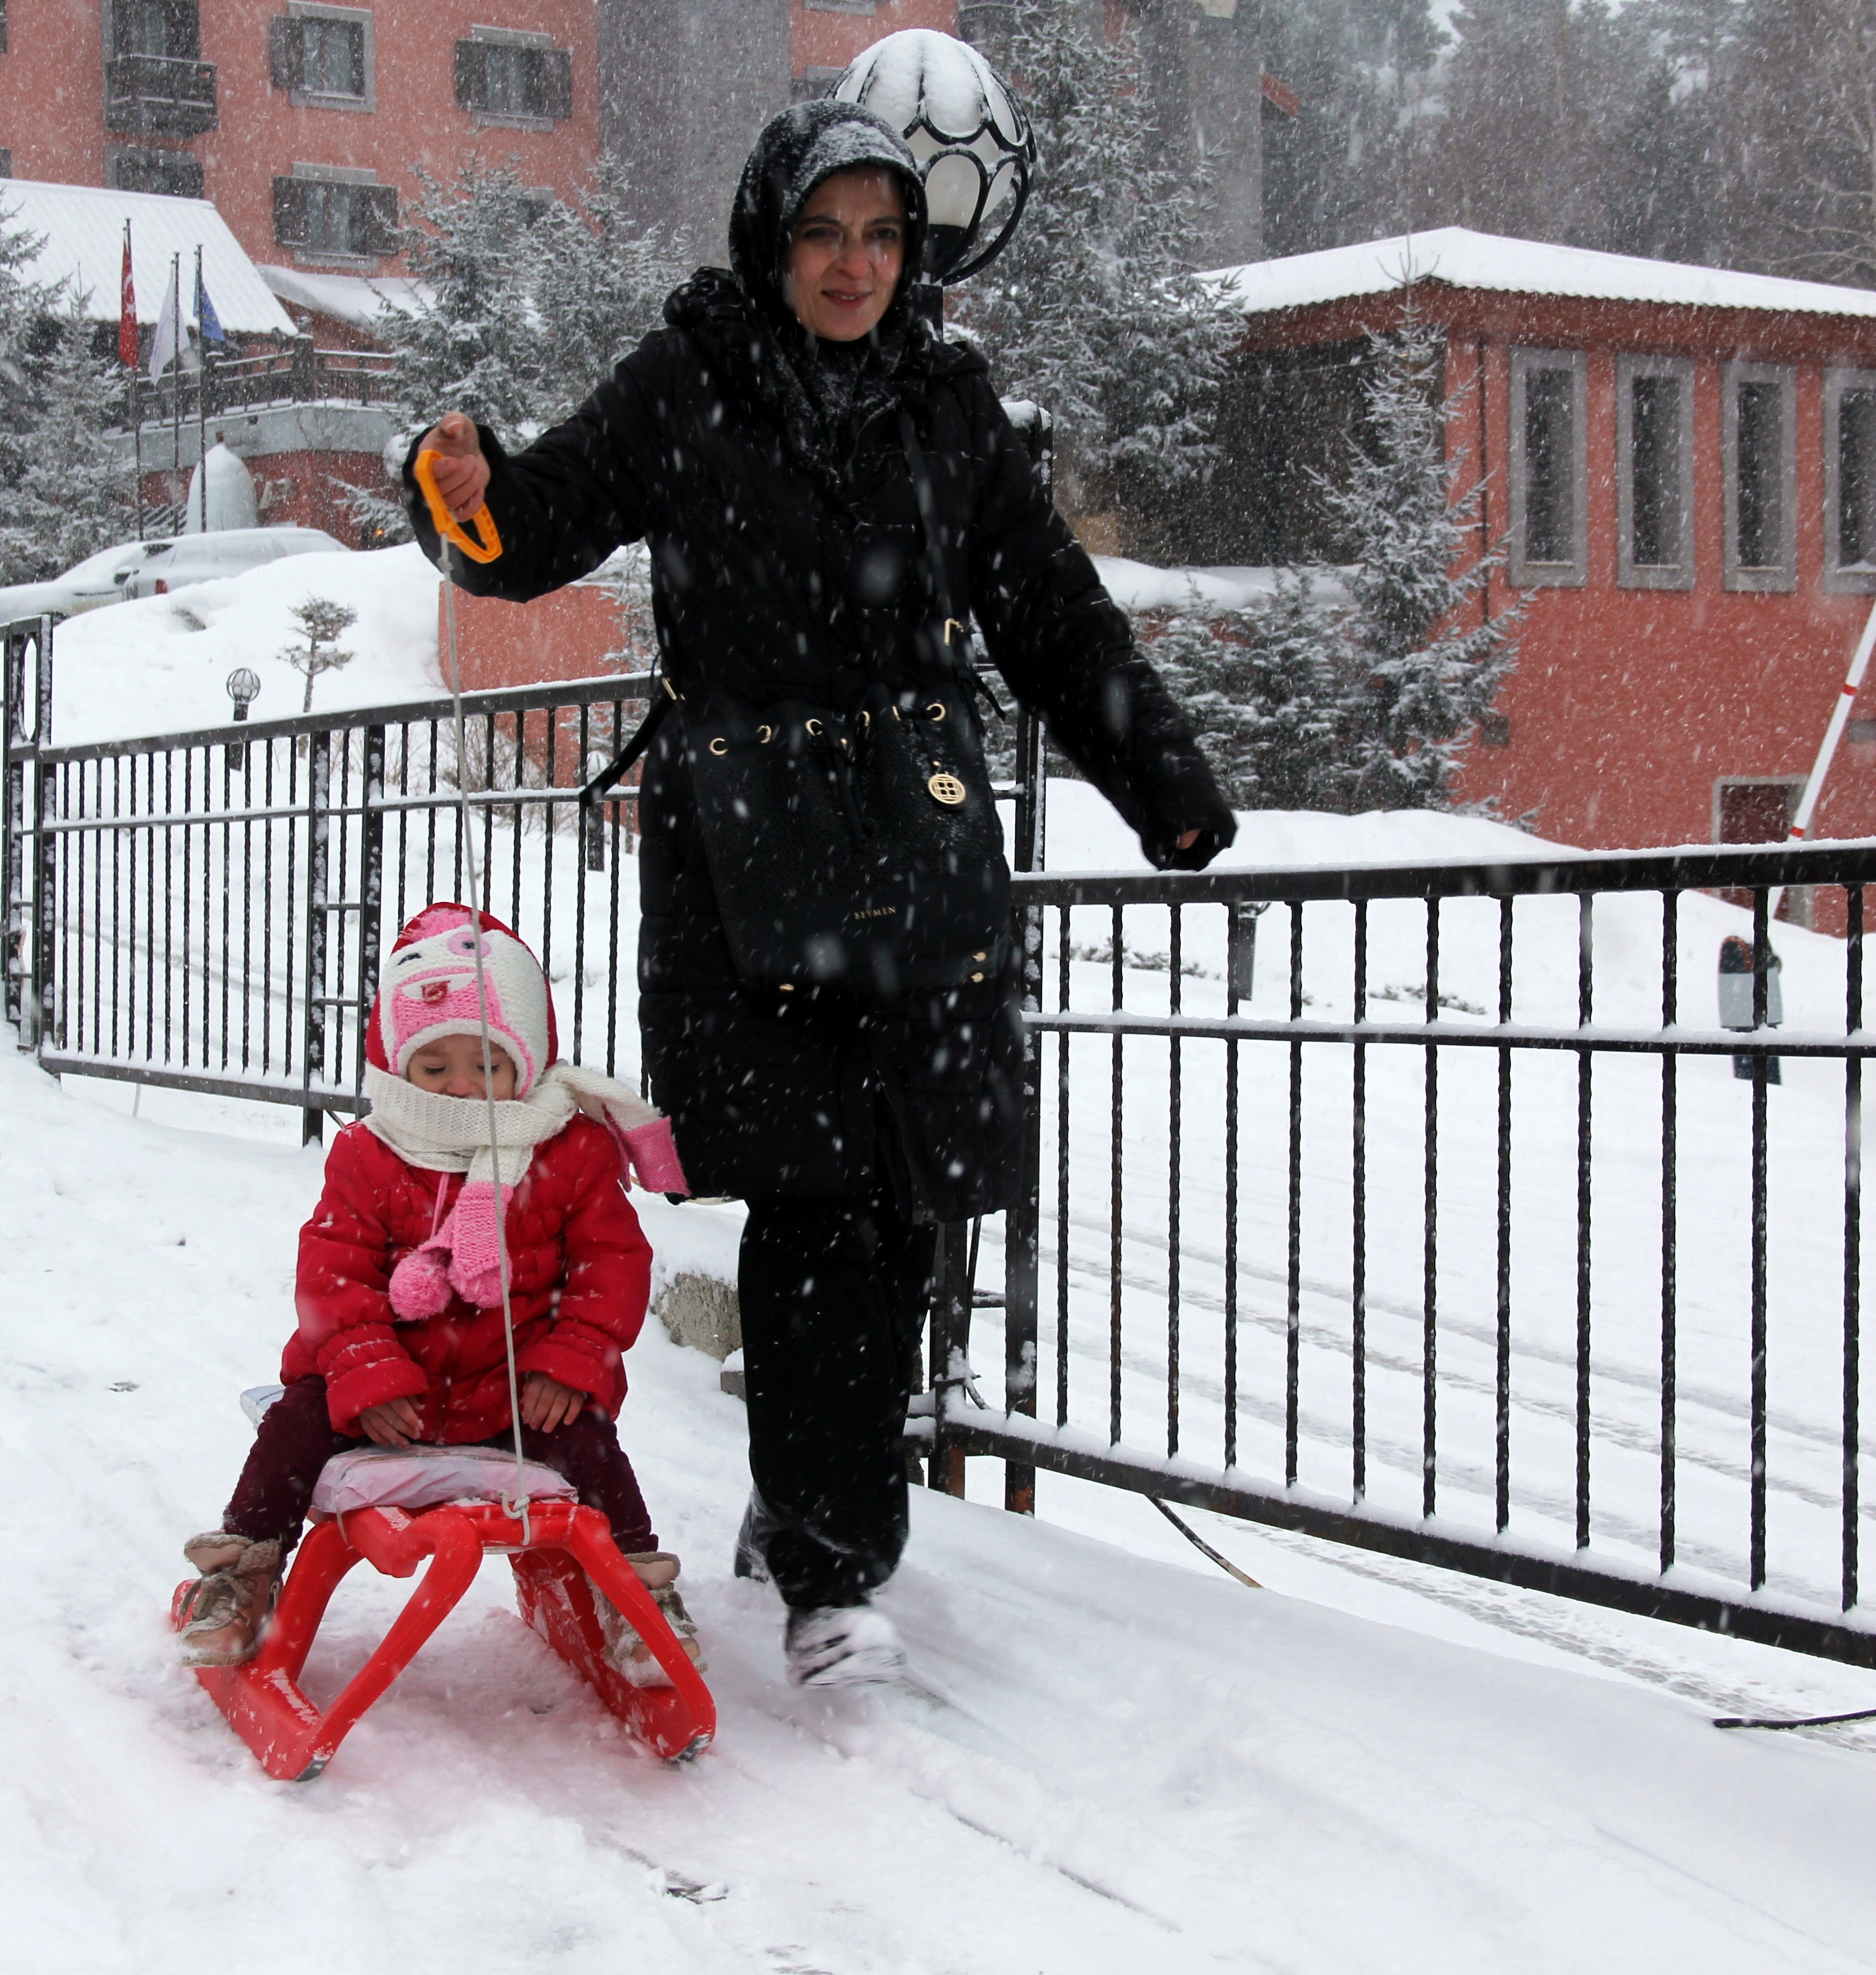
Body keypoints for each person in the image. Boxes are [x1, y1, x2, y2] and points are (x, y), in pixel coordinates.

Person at [403, 101, 1236, 1686]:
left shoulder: (948, 404)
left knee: (902, 1195)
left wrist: (1168, 786)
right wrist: (459, 489)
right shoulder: (689, 383)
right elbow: (530, 532)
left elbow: (1050, 609)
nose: (853, 265)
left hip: (912, 856)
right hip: (753, 861)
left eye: (881, 236)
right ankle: (831, 1572)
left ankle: (804, 1506)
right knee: (818, 1203)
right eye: (824, 233)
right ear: (769, 240)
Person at [175, 904, 702, 1683]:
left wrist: (575, 1354)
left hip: (515, 1389)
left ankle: (634, 1590)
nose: (462, 1086)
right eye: (435, 1067)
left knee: (590, 1442)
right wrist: (366, 1371)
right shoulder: (369, 1152)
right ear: (399, 1066)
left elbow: (610, 1259)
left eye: (486, 1065)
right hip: (388, 1393)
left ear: (523, 1060)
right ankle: (245, 1572)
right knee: (295, 1423)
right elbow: (333, 1271)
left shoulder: (571, 1148)